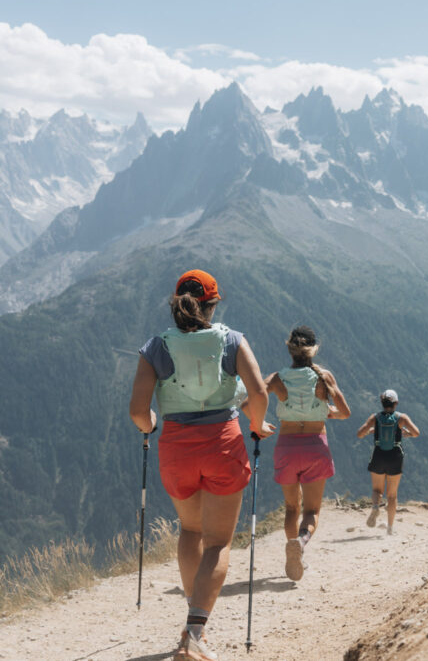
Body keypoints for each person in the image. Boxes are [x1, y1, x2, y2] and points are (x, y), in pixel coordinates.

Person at [129, 269, 275, 661]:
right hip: (223, 445)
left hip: (176, 449)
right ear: (212, 305)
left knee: (191, 530)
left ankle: (194, 627)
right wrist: (258, 426)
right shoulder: (232, 341)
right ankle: (194, 632)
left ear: (177, 304)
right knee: (218, 541)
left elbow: (138, 412)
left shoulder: (155, 348)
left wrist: (151, 424)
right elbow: (259, 393)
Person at [264, 326, 351, 581]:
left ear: (289, 348)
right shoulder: (324, 376)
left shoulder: (277, 378)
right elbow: (345, 413)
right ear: (315, 349)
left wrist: (258, 424)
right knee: (311, 511)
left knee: (292, 508)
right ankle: (300, 544)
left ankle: (293, 550)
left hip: (286, 447)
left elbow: (252, 399)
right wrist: (327, 412)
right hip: (315, 447)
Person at [355, 389, 419, 535]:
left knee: (377, 490)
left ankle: (375, 506)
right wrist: (407, 434)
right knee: (392, 496)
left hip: (378, 455)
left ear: (382, 402)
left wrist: (371, 430)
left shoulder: (375, 417)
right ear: (396, 403)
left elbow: (359, 433)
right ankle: (390, 529)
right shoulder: (402, 418)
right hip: (395, 456)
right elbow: (416, 432)